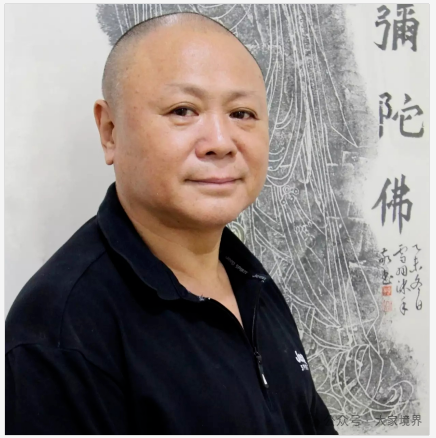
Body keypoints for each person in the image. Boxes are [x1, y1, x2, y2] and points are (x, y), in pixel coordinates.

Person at [6, 12, 338, 435]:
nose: (221, 142)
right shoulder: (60, 331)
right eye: (183, 110)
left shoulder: (249, 280)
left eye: (242, 113)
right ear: (110, 131)